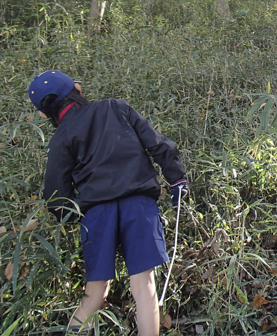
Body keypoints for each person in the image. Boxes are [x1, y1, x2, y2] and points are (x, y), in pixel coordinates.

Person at [28, 70, 189, 336]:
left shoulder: (60, 138)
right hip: (137, 204)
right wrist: (177, 180)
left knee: (95, 294)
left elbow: (56, 195)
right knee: (144, 287)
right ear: (78, 88)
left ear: (44, 114)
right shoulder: (116, 107)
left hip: (96, 214)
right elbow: (158, 144)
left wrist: (72, 218)